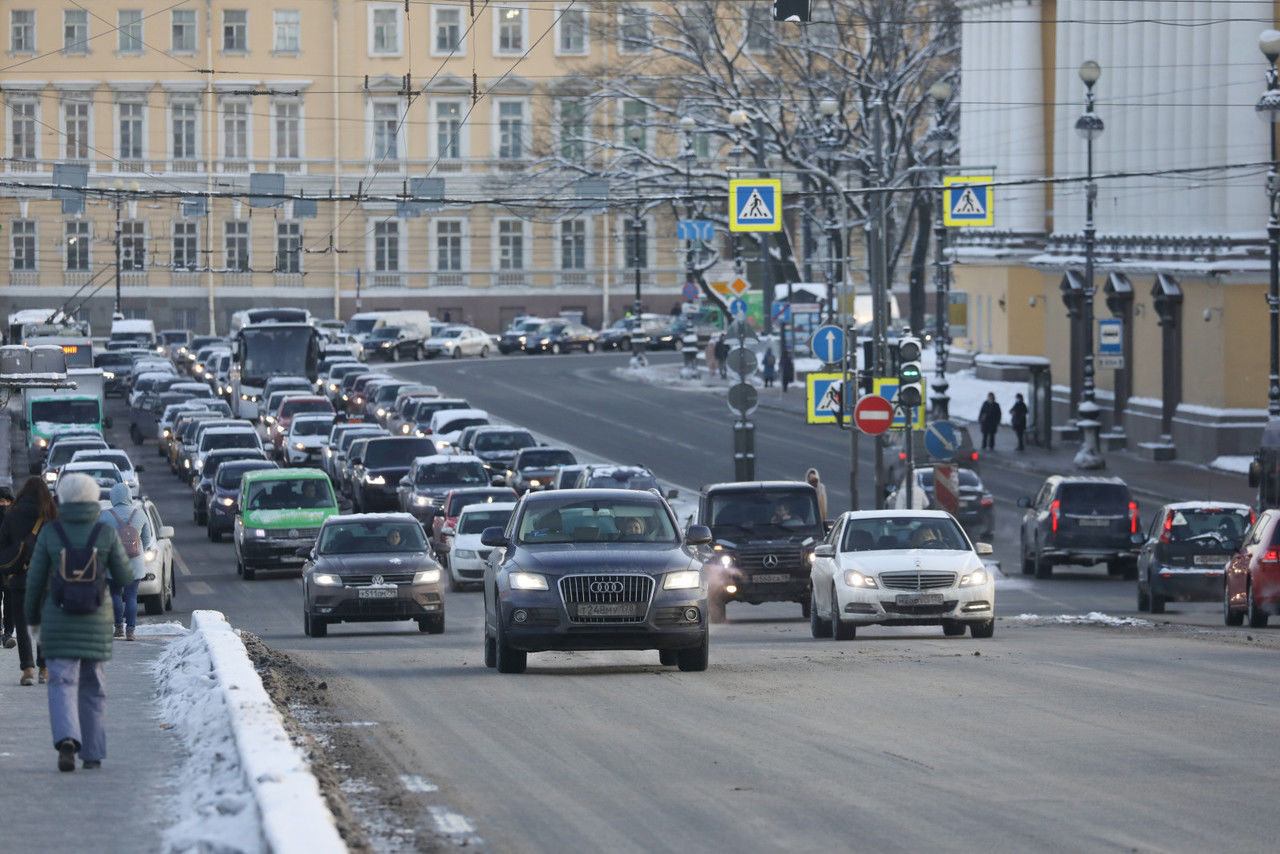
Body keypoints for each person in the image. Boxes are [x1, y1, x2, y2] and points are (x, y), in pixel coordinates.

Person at [25, 473, 132, 772]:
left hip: (58, 621)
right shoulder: (105, 533)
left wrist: (33, 618)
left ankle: (67, 739)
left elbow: (34, 582)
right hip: (96, 621)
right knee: (93, 686)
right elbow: (124, 577)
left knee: (61, 681)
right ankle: (94, 753)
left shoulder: (50, 533)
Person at [0, 477, 57, 685]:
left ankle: (28, 669)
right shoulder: (50, 515)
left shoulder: (12, 514)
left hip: (19, 577)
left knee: (22, 625)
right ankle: (44, 668)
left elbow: (2, 544)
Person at [99, 482, 153, 642]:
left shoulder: (105, 515)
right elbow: (147, 539)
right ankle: (131, 630)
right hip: (135, 564)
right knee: (131, 596)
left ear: (113, 497)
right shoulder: (140, 514)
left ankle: (118, 627)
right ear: (129, 496)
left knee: (115, 594)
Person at [0, 485, 14, 649]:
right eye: (0, 501)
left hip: (10, 566)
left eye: (6, 501)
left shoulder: (15, 519)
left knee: (10, 600)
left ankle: (8, 633)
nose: (3, 505)